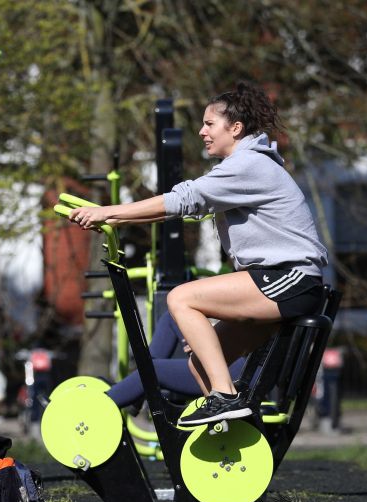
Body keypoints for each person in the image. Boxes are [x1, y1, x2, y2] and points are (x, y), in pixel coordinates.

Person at [70, 82, 328, 426]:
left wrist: (108, 212)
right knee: (199, 363)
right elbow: (182, 205)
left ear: (235, 129)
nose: (201, 131)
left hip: (289, 279)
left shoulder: (249, 164)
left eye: (209, 124)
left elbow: (183, 200)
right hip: (276, 281)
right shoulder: (246, 164)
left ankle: (224, 398)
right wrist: (113, 217)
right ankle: (230, 440)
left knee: (181, 299)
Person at [106, 310, 245, 409]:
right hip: (234, 355)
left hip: (240, 368)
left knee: (152, 369)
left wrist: (210, 342)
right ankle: (134, 394)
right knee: (172, 317)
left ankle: (103, 404)